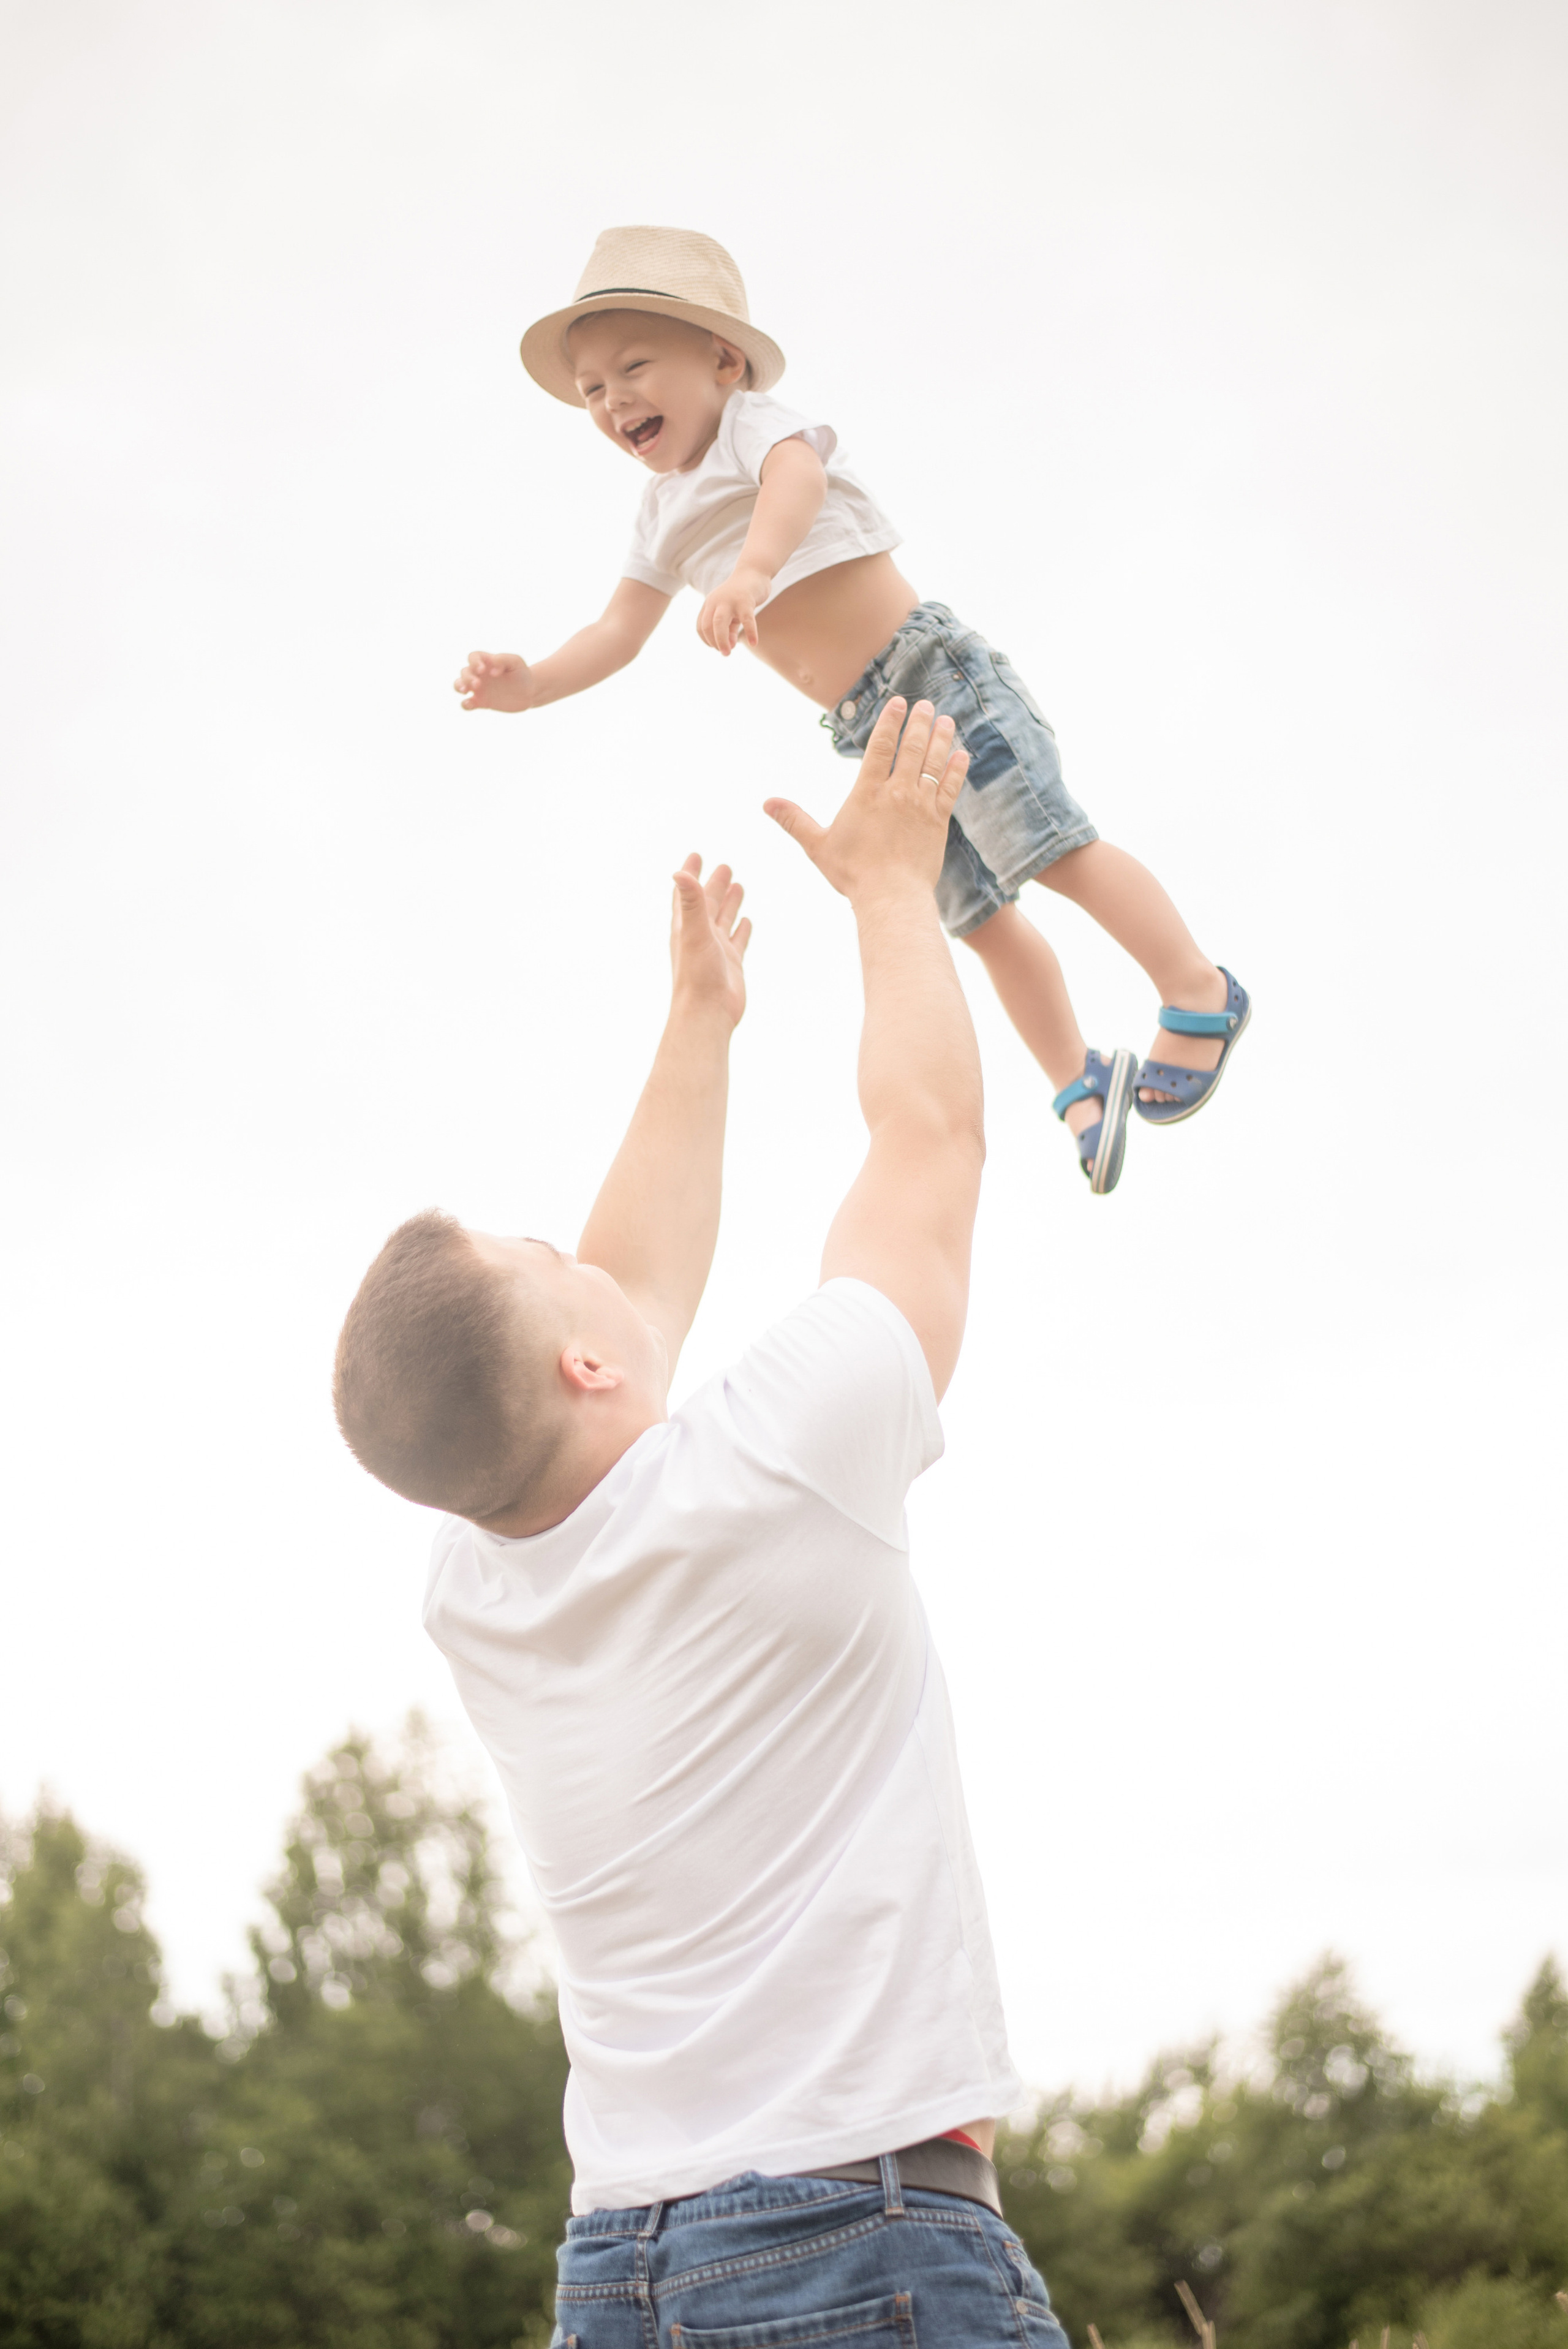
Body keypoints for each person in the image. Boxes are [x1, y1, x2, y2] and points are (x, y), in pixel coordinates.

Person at [333, 698, 1070, 2345]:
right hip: (858, 2247)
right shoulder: (779, 1455)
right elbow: (931, 1140)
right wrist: (893, 883)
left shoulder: (480, 1591)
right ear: (584, 1355)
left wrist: (703, 1021)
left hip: (626, 2271)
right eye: (543, 1247)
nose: (578, 1245)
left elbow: (615, 1317)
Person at [454, 224, 1251, 1197]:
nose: (614, 400)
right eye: (591, 391)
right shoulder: (658, 515)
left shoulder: (753, 427)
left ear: (722, 360)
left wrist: (752, 567)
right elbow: (618, 632)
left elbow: (800, 479)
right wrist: (530, 683)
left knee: (1051, 849)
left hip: (936, 679)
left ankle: (1195, 987)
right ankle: (1079, 1081)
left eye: (634, 367)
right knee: (980, 920)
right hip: (877, 743)